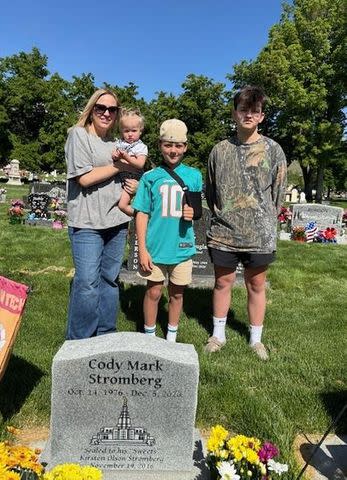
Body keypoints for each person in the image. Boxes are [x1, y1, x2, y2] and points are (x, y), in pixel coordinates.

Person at [204, 85, 287, 359]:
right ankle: (218, 335)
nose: (248, 115)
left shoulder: (274, 151)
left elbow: (278, 193)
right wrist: (223, 215)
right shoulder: (219, 150)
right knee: (222, 283)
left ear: (262, 116)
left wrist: (265, 220)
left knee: (256, 285)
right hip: (224, 233)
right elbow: (211, 190)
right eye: (243, 110)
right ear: (234, 113)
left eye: (255, 111)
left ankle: (255, 339)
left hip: (259, 234)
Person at [65, 88, 138, 340]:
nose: (106, 113)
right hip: (86, 222)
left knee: (109, 280)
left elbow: (132, 172)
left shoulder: (117, 144)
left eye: (112, 109)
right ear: (91, 109)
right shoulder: (78, 135)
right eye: (101, 108)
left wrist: (133, 184)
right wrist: (118, 166)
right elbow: (84, 178)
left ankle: (106, 336)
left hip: (116, 221)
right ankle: (80, 343)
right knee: (86, 283)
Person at [133, 119, 202, 342]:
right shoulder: (149, 177)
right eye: (168, 145)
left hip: (182, 246)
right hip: (155, 246)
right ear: (160, 145)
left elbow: (197, 208)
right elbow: (141, 213)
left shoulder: (194, 175)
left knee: (177, 292)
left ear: (186, 146)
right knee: (153, 292)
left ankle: (171, 336)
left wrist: (193, 212)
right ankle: (150, 336)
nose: (173, 150)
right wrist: (142, 249)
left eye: (178, 146)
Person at [112, 108, 148, 217]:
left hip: (133, 179)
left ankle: (142, 216)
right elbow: (115, 156)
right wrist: (115, 156)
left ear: (140, 131)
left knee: (122, 205)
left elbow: (140, 164)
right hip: (120, 178)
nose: (130, 134)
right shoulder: (119, 143)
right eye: (126, 131)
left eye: (134, 130)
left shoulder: (140, 147)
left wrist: (127, 157)